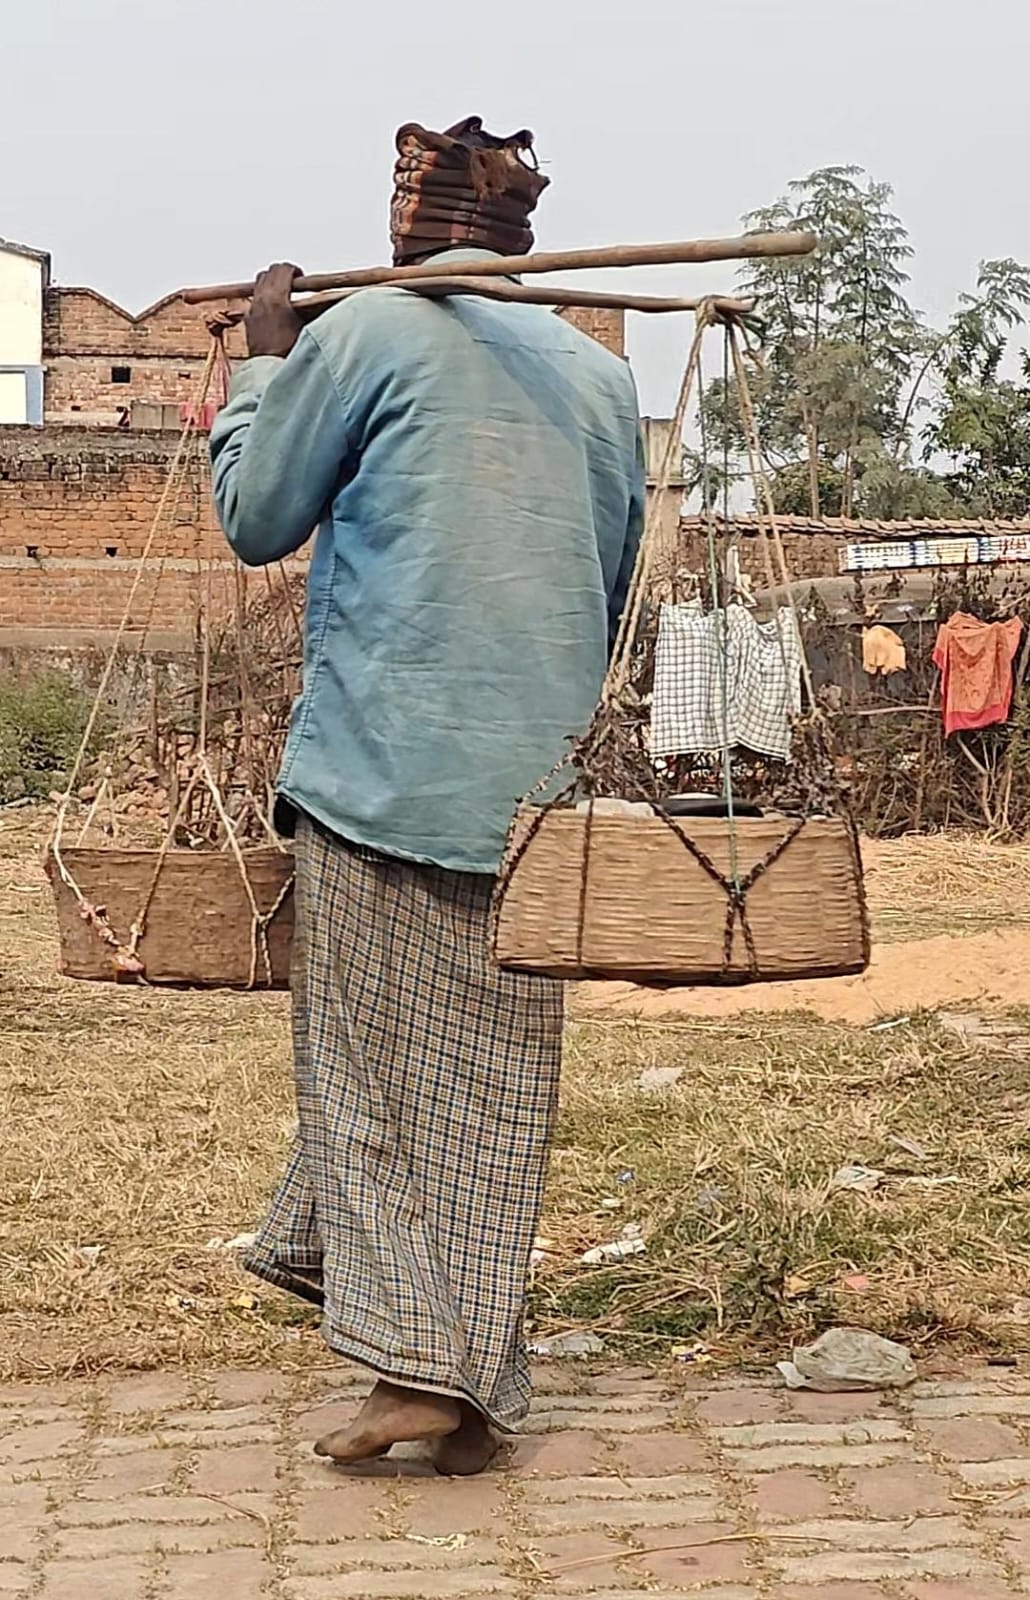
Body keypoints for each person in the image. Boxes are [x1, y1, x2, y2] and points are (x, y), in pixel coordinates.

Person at [210, 116, 645, 1476]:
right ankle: (448, 1364)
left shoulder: (363, 335)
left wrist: (265, 365)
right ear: (518, 235)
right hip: (535, 790)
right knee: (488, 1088)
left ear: (407, 223)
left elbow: (255, 516)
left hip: (380, 771)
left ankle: (426, 1375)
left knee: (375, 1081)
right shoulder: (590, 371)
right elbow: (612, 571)